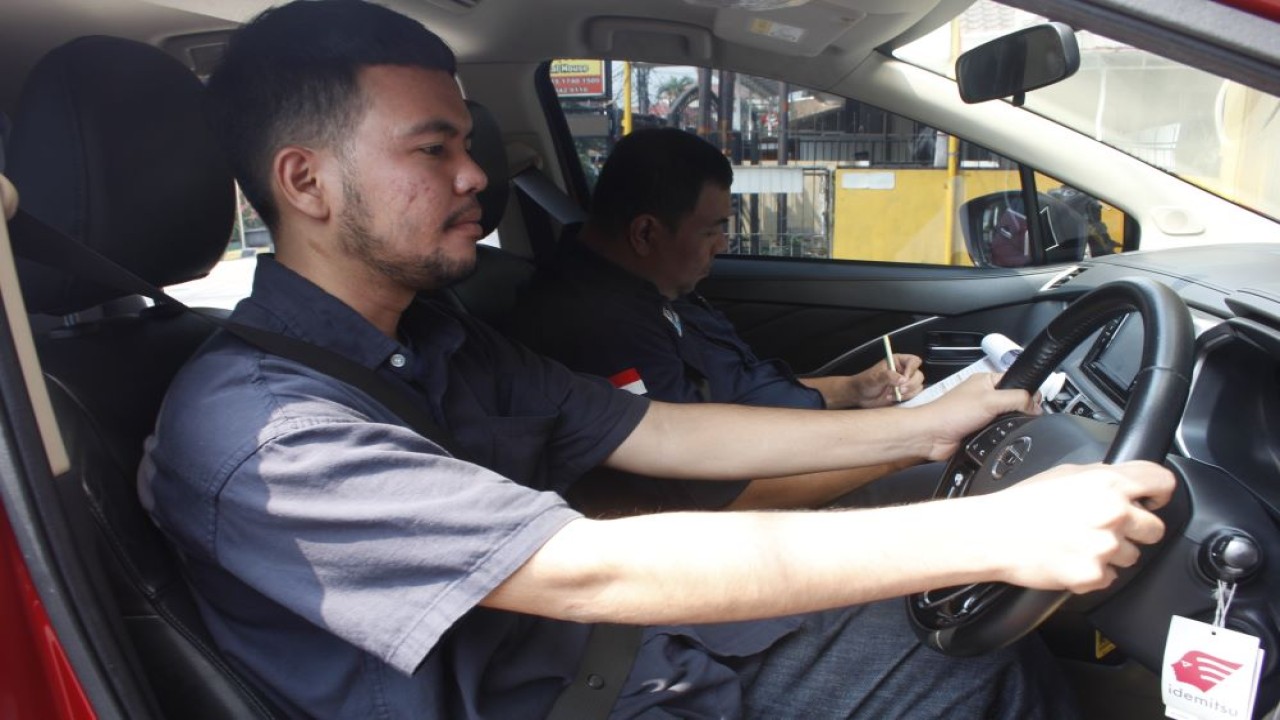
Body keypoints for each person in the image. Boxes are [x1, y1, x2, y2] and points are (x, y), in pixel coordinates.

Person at [137, 2, 1174, 718]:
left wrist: (920, 425)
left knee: (941, 641)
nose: (474, 179)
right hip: (576, 691)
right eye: (433, 148)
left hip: (615, 662)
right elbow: (592, 568)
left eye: (469, 145)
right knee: (958, 675)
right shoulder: (262, 435)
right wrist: (987, 530)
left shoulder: (436, 337)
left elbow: (657, 429)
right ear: (306, 182)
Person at [509, 127, 930, 513]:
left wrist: (853, 390)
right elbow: (713, 496)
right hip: (756, 514)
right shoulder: (599, 326)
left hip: (793, 455)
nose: (723, 245)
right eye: (712, 230)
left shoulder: (655, 287)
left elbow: (737, 390)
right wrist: (905, 448)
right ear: (645, 234)